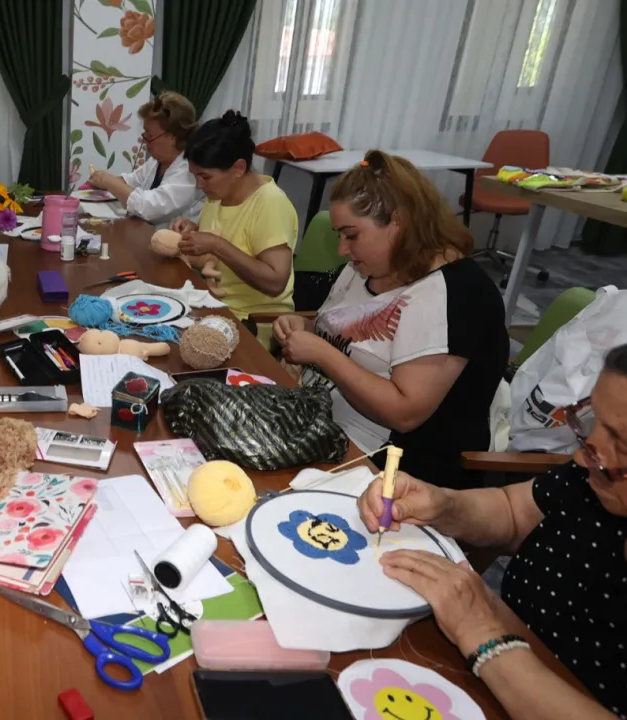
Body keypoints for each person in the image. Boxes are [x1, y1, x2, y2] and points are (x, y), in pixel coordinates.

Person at [357, 344, 627, 720]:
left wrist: (483, 636)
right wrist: (442, 504)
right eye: (593, 419)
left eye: (621, 446)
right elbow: (514, 513)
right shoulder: (590, 479)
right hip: (491, 661)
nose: (582, 457)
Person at [275, 150, 508, 489]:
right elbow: (347, 330)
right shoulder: (369, 266)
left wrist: (322, 354)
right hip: (323, 424)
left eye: (351, 235)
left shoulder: (456, 294)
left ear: (398, 223)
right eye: (339, 235)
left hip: (395, 472)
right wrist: (305, 328)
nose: (342, 249)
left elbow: (405, 413)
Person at [170, 110, 297, 337]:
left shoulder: (270, 203)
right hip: (213, 308)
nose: (199, 185)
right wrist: (193, 231)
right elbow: (229, 237)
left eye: (205, 177)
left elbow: (275, 282)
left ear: (238, 168)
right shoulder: (218, 195)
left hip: (253, 322)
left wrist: (215, 244)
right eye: (195, 176)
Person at [86, 91, 202, 225]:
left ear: (173, 136)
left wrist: (108, 181)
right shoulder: (157, 161)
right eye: (145, 133)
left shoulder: (190, 172)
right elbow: (132, 181)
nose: (144, 140)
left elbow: (149, 208)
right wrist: (101, 181)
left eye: (150, 136)